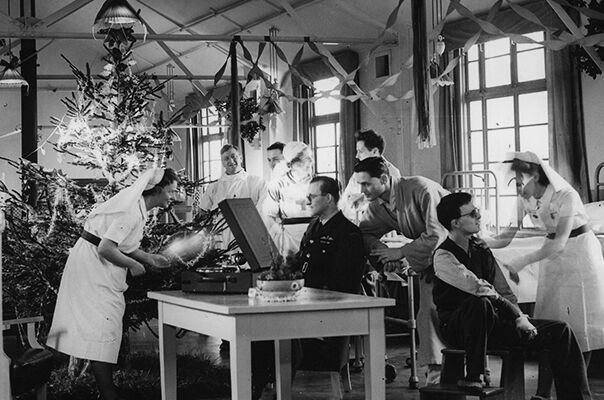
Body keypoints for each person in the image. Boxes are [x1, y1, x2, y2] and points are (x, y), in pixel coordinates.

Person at [432, 192, 591, 399]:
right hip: (458, 329)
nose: (479, 216)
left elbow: (502, 288)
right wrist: (516, 314)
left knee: (561, 331)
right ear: (456, 223)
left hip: (493, 325)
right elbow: (479, 288)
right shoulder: (443, 255)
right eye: (473, 213)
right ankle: (474, 375)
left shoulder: (480, 249)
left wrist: (522, 319)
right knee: (479, 304)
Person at [46, 168, 179, 400]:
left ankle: (106, 391)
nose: (172, 197)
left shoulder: (138, 208)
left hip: (96, 265)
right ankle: (108, 394)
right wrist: (134, 266)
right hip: (92, 269)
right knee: (104, 330)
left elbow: (122, 243)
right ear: (157, 190)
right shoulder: (131, 212)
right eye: (170, 192)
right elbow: (105, 247)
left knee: (103, 329)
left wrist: (148, 258)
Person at [252, 176, 366, 400]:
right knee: (259, 330)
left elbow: (344, 285)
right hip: (304, 305)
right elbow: (302, 262)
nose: (307, 201)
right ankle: (258, 388)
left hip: (325, 315)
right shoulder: (315, 226)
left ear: (330, 198)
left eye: (312, 197)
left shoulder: (347, 233)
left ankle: (267, 391)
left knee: (272, 335)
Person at [502, 152, 604, 365]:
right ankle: (543, 393)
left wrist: (521, 261)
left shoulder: (566, 195)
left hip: (580, 256)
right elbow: (504, 238)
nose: (518, 188)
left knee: (582, 325)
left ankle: (578, 388)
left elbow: (560, 242)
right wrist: (481, 240)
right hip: (551, 257)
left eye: (520, 181)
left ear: (536, 177)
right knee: (549, 323)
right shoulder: (524, 200)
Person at [355, 156, 448, 384]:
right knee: (425, 309)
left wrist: (401, 252)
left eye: (366, 184)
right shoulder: (378, 205)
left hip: (457, 252)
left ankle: (441, 372)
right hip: (430, 258)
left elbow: (438, 234)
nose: (362, 190)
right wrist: (383, 254)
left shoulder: (420, 188)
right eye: (360, 184)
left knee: (429, 308)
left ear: (385, 179)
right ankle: (437, 370)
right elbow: (364, 234)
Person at [263, 141, 314, 256]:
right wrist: (280, 236)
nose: (309, 162)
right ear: (290, 164)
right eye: (304, 159)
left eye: (310, 157)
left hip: (315, 236)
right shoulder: (278, 185)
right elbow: (269, 215)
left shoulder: (318, 183)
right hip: (289, 239)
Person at [340, 129, 401, 223]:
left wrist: (363, 199)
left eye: (360, 151)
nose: (357, 156)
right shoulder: (357, 174)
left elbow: (395, 207)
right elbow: (345, 204)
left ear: (374, 151)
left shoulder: (393, 173)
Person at [199, 144, 267, 213]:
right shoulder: (213, 186)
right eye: (226, 159)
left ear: (240, 158)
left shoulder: (257, 182)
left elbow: (262, 212)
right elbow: (203, 212)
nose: (231, 161)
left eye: (233, 156)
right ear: (223, 163)